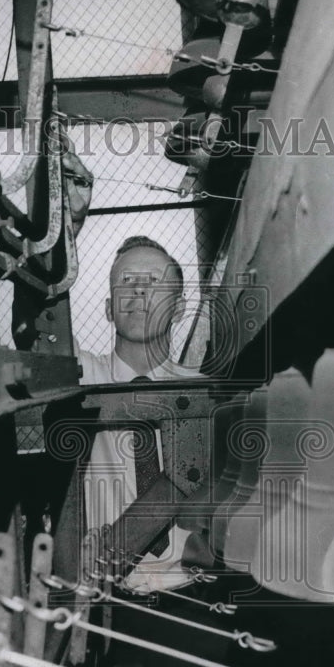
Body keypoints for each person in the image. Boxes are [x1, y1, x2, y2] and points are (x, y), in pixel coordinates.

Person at [76, 236, 203, 592]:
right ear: (107, 308)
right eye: (126, 281)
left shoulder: (206, 392)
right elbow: (38, 333)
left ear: (178, 309)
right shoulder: (82, 375)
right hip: (103, 594)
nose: (138, 291)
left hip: (193, 591)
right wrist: (69, 230)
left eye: (153, 281)